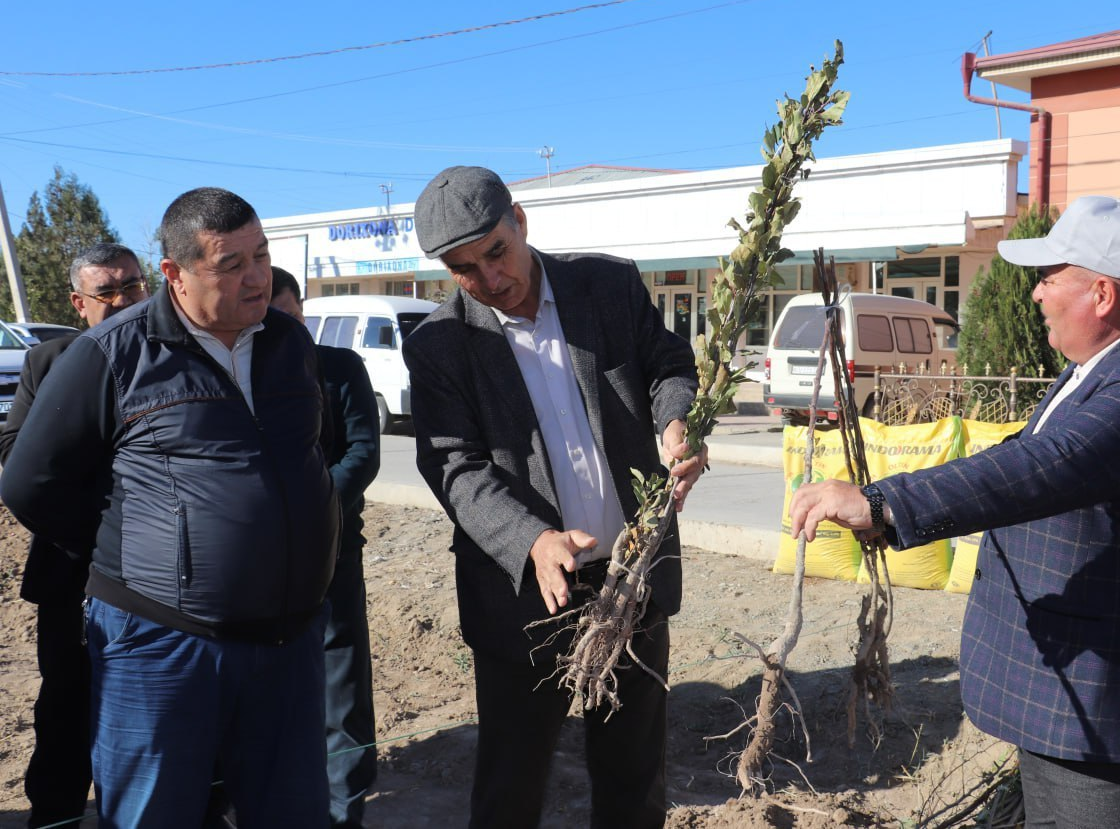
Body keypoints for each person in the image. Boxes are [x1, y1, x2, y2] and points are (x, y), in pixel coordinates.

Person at [790, 195, 1120, 828]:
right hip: (1076, 703)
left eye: (1048, 277)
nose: (1035, 294)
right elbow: (1022, 456)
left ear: (1103, 294)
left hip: (1119, 714)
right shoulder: (1095, 368)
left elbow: (1046, 466)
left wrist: (883, 503)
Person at [0, 188, 339, 828]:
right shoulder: (110, 353)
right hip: (161, 646)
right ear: (175, 274)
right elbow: (28, 479)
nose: (257, 278)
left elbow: (304, 453)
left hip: (289, 643)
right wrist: (129, 547)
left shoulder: (288, 342)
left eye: (262, 256)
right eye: (230, 264)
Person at [403, 165, 706, 828]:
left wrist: (676, 420)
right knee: (512, 781)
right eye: (464, 269)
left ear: (520, 221)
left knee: (633, 774)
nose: (489, 280)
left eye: (495, 253)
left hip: (632, 575)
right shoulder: (439, 345)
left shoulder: (608, 285)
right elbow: (453, 466)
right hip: (528, 596)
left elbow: (669, 366)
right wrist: (532, 541)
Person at [0, 243, 148, 828]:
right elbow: (17, 458)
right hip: (72, 570)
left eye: (131, 288)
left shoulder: (175, 355)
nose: (120, 302)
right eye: (105, 293)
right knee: (64, 704)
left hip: (159, 577)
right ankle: (56, 815)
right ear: (77, 303)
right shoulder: (48, 362)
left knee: (151, 712)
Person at [270, 266, 381, 827]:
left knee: (341, 683)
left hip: (331, 549)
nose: (279, 329)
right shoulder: (231, 374)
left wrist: (307, 510)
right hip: (252, 563)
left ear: (302, 311)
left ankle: (347, 806)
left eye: (288, 316)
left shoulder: (339, 369)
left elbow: (362, 453)